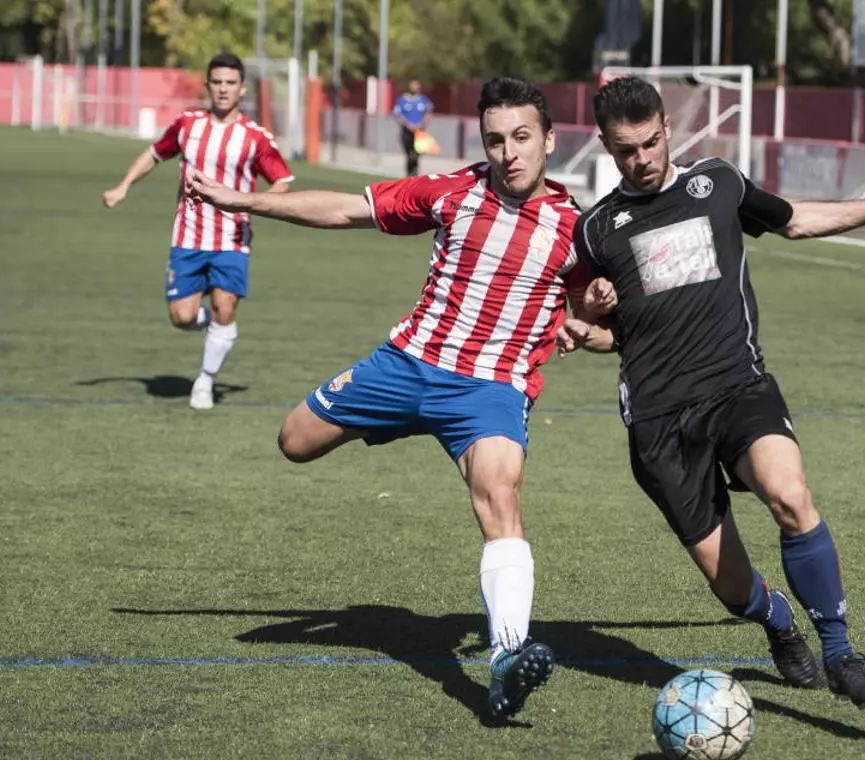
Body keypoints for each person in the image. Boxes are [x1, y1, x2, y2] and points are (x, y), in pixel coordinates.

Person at [187, 77, 596, 720]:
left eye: (522, 137)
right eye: (496, 140)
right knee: (294, 441)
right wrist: (243, 200)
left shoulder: (580, 230)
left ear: (549, 139)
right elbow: (344, 210)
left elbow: (607, 324)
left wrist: (589, 325)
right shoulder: (452, 193)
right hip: (406, 366)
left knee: (500, 494)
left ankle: (505, 659)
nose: (509, 152)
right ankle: (381, 421)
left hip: (489, 388)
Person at [559, 76, 865, 708]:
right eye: (626, 150)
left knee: (789, 494)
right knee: (731, 586)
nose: (642, 159)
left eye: (650, 142)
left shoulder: (718, 182)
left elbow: (796, 221)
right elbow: (601, 333)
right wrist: (587, 322)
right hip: (659, 421)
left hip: (736, 384)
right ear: (606, 145)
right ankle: (777, 621)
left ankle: (841, 653)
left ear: (667, 128)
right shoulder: (596, 229)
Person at [102, 52, 294, 411]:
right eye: (217, 82)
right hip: (188, 237)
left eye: (230, 83)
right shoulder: (187, 125)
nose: (223, 89)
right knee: (182, 317)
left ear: (242, 88)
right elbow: (154, 154)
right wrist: (123, 185)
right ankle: (216, 327)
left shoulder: (255, 137)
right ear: (208, 85)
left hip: (232, 239)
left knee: (224, 306)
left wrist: (255, 203)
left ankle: (204, 381)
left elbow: (283, 180)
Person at [393, 79, 435, 177]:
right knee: (409, 154)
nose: (413, 87)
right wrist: (408, 125)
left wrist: (422, 124)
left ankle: (415, 173)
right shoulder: (402, 100)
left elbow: (429, 113)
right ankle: (409, 174)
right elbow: (398, 115)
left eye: (415, 85)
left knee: (417, 153)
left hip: (419, 131)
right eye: (412, 85)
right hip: (407, 131)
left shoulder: (424, 100)